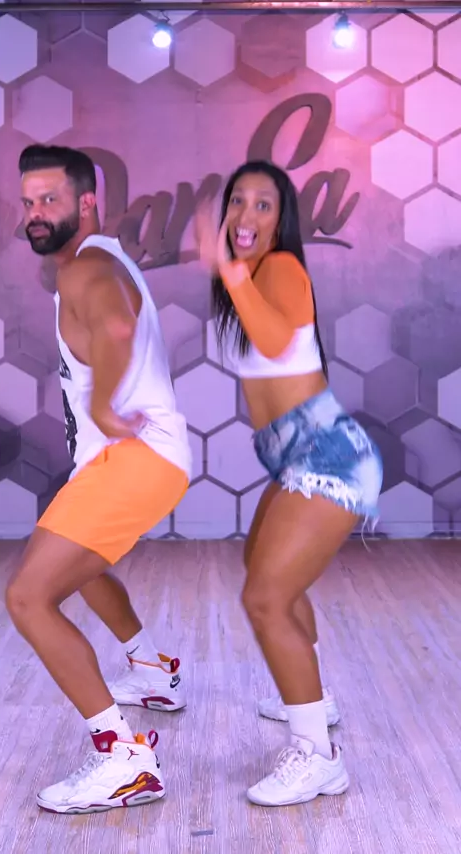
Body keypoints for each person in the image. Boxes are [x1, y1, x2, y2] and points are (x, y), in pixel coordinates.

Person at [7, 144, 191, 814]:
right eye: (28, 201)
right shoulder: (99, 257)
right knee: (75, 568)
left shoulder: (87, 268)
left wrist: (109, 406)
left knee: (29, 598)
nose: (35, 213)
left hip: (136, 457)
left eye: (49, 199)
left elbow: (115, 324)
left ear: (87, 201)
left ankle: (123, 760)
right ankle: (150, 669)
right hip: (126, 460)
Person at [196, 160, 383, 807]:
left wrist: (228, 271)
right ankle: (315, 699)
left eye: (263, 205)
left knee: (265, 597)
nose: (245, 216)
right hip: (294, 456)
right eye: (237, 202)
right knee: (268, 574)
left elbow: (276, 344)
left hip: (328, 455)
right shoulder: (248, 280)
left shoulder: (279, 268)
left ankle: (318, 756)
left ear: (282, 221)